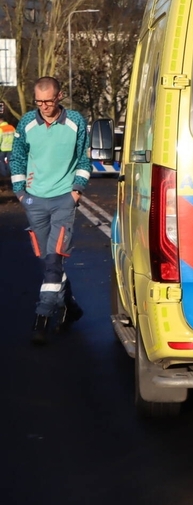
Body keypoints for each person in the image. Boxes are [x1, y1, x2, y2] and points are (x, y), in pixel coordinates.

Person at [9, 77, 90, 344]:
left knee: (54, 260)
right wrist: (21, 192)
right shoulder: (27, 123)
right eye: (39, 101)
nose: (44, 106)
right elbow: (18, 156)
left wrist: (76, 190)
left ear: (60, 97)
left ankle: (41, 318)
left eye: (49, 101)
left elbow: (84, 158)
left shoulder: (76, 122)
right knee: (47, 261)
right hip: (35, 200)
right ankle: (71, 309)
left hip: (63, 201)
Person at [0, 103, 15, 187]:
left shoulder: (1, 129)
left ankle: (4, 175)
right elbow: (16, 137)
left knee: (1, 162)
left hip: (3, 148)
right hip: (11, 148)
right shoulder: (11, 127)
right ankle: (10, 175)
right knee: (9, 162)